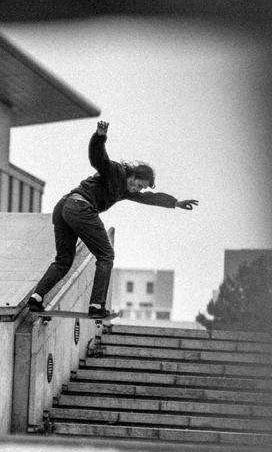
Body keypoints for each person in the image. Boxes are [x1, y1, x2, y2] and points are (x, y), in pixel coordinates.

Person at [28, 120, 198, 316]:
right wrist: (100, 137)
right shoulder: (116, 171)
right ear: (132, 174)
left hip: (65, 207)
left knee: (64, 261)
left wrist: (174, 202)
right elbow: (99, 159)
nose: (136, 189)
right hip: (80, 207)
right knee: (106, 255)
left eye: (140, 187)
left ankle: (36, 298)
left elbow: (148, 198)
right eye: (137, 184)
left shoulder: (125, 191)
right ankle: (96, 306)